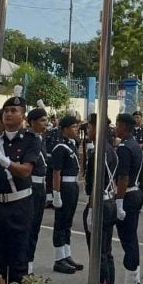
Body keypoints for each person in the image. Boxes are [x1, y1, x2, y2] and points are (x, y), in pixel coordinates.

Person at [0, 95, 41, 284]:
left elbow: (25, 171)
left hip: (19, 205)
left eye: (13, 111)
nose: (8, 114)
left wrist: (4, 160)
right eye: (6, 110)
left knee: (17, 261)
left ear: (22, 116)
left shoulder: (31, 140)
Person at [83, 113, 118, 284]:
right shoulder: (110, 148)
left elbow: (94, 182)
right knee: (107, 250)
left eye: (90, 126)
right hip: (110, 200)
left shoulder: (98, 151)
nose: (88, 129)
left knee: (98, 252)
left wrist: (90, 209)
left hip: (99, 203)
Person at [115, 113, 143, 284]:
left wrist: (119, 201)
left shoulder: (125, 147)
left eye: (117, 125)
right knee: (131, 239)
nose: (115, 128)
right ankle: (134, 280)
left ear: (124, 127)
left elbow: (123, 177)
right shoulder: (134, 144)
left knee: (128, 241)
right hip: (135, 193)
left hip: (128, 196)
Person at [51, 115, 82, 274]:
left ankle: (67, 254)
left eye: (77, 126)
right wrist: (56, 194)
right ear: (64, 130)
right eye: (73, 127)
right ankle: (59, 259)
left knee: (68, 222)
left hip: (73, 186)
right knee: (61, 222)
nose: (76, 129)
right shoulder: (60, 147)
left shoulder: (72, 145)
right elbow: (56, 172)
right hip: (64, 186)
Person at [26, 107, 48, 275]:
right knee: (28, 227)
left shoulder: (40, 139)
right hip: (30, 187)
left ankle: (29, 266)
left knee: (35, 229)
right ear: (32, 122)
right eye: (42, 120)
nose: (45, 123)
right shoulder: (28, 139)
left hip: (40, 187)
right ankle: (23, 265)